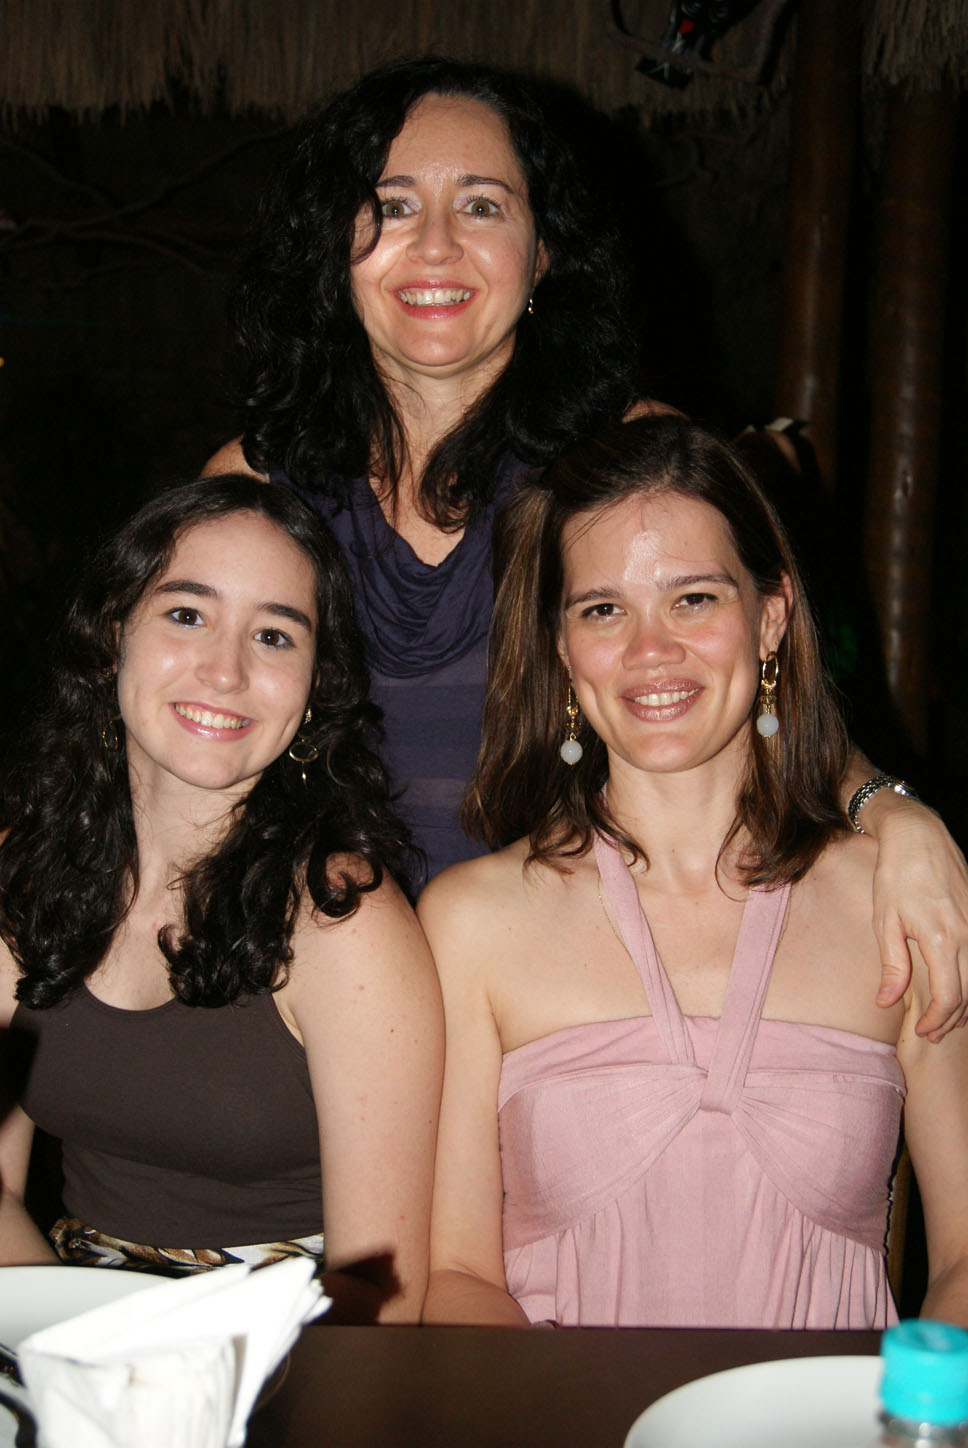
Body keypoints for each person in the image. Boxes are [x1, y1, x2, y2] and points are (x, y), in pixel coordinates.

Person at [205, 53, 968, 1036]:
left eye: (481, 206)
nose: (434, 244)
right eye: (391, 206)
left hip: (563, 1006)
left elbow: (756, 679)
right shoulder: (252, 487)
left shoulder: (633, 459)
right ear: (332, 245)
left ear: (543, 253)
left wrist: (890, 811)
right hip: (306, 1001)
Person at [420, 417, 968, 1330]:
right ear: (559, 646)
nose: (651, 651)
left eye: (694, 598)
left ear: (771, 617)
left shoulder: (899, 897)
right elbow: (454, 1274)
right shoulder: (473, 922)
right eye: (603, 610)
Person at [0, 476, 442, 1322]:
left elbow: (384, 1294)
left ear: (314, 686)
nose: (227, 670)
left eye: (274, 635)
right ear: (112, 635)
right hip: (61, 1326)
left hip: (284, 1353)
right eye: (187, 614)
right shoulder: (22, 874)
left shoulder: (342, 921)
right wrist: (73, 1353)